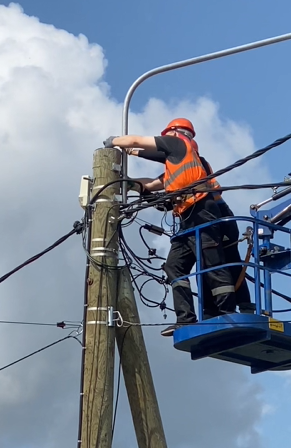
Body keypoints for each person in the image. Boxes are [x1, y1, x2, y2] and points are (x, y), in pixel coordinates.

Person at [105, 119, 253, 335]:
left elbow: (137, 140)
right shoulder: (181, 162)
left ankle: (226, 314)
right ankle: (186, 319)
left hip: (205, 213)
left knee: (213, 263)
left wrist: (113, 142)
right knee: (175, 267)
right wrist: (129, 181)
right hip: (191, 216)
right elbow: (151, 184)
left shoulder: (178, 144)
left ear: (173, 133)